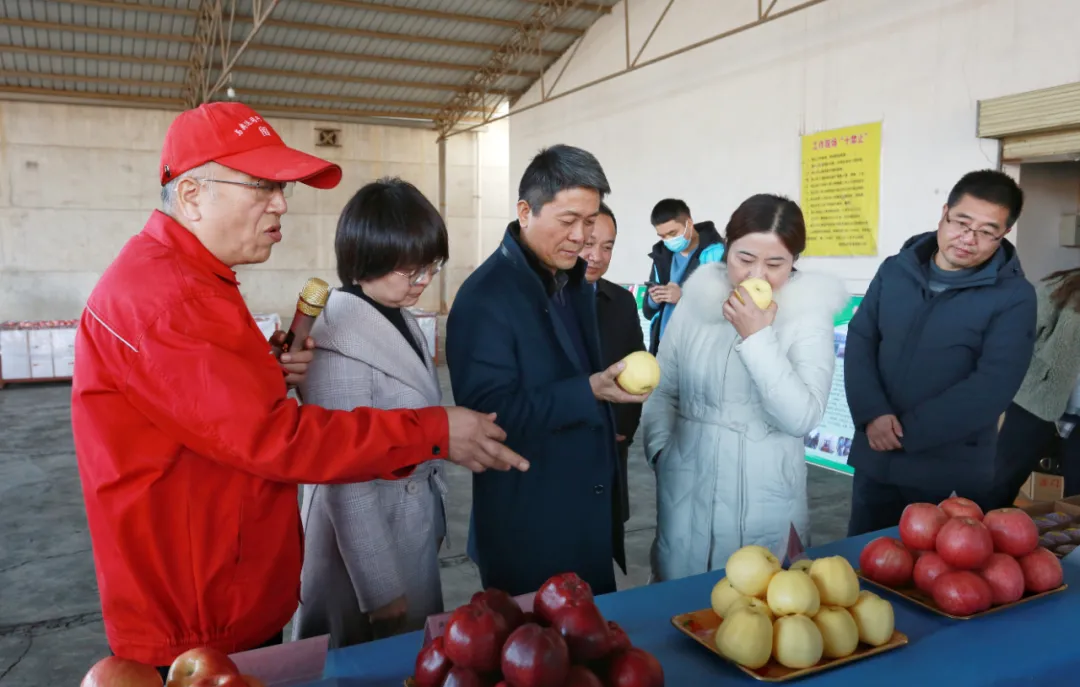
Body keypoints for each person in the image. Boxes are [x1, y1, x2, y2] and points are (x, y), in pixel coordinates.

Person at [70, 102, 527, 675]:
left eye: (282, 187)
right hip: (198, 614)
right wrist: (434, 430)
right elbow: (277, 441)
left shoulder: (191, 283)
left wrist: (261, 370)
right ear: (191, 195)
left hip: (222, 584)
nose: (282, 203)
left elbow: (207, 411)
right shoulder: (170, 301)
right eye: (261, 186)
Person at [446, 145, 650, 597]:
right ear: (525, 211)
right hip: (531, 525)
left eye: (590, 221)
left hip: (585, 514)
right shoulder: (487, 298)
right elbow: (488, 417)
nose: (581, 237)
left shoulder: (571, 281)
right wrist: (589, 392)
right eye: (567, 221)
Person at [640, 194, 848, 582]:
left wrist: (758, 339)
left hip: (765, 495)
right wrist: (661, 453)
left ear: (794, 261)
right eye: (744, 259)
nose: (757, 276)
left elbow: (801, 416)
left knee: (760, 616)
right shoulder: (697, 301)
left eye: (775, 264)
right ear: (726, 250)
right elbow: (663, 387)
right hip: (687, 486)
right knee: (678, 606)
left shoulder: (807, 313)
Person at [291, 178, 451, 648]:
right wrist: (379, 587)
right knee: (366, 660)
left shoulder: (396, 312)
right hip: (365, 543)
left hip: (407, 515)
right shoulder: (338, 335)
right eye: (410, 271)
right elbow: (345, 470)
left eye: (431, 268)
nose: (422, 282)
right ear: (366, 258)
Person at [844, 169, 1036, 536]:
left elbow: (993, 384)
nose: (968, 238)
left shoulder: (1013, 295)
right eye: (961, 222)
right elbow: (861, 337)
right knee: (863, 561)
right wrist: (872, 413)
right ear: (944, 212)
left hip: (947, 467)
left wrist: (903, 433)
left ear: (1004, 234)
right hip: (875, 455)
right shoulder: (896, 269)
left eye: (986, 231)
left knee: (934, 577)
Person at [580, 202, 647, 523]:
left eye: (607, 247)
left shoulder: (620, 301)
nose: (597, 256)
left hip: (611, 445)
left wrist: (624, 427)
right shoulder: (539, 303)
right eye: (589, 244)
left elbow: (637, 360)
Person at [992, 267, 1080, 505]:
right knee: (998, 484)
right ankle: (976, 537)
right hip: (1036, 401)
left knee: (1077, 500)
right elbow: (1018, 336)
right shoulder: (1063, 286)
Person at [642, 198, 725, 354]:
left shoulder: (717, 253)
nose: (668, 240)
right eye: (662, 236)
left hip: (700, 350)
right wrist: (654, 299)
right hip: (663, 346)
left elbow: (724, 308)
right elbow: (647, 311)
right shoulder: (661, 257)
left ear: (689, 223)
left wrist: (683, 297)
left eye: (673, 233)